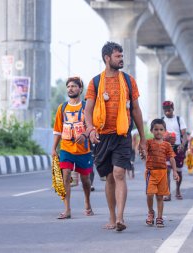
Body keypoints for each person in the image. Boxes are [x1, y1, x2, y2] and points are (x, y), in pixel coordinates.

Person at [84, 41, 146, 232]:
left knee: (119, 173)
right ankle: (111, 217)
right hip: (102, 136)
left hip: (122, 135)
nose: (121, 59)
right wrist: (91, 129)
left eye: (122, 56)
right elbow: (88, 110)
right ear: (107, 58)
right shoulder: (95, 82)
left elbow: (136, 110)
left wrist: (143, 138)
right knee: (109, 177)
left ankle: (120, 218)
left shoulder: (128, 81)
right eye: (118, 56)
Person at [52, 76, 94, 219]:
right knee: (66, 176)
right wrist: (54, 148)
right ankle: (67, 209)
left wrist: (86, 135)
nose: (70, 89)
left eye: (74, 86)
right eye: (68, 86)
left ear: (80, 89)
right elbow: (57, 130)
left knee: (85, 180)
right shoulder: (62, 108)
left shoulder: (86, 107)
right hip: (66, 148)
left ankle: (87, 202)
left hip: (84, 150)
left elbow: (92, 126)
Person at [145, 119, 179, 228]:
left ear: (165, 131)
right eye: (156, 129)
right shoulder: (149, 142)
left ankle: (159, 217)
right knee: (150, 194)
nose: (158, 132)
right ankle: (151, 212)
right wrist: (142, 152)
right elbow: (144, 151)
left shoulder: (167, 145)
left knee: (160, 197)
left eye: (161, 129)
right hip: (151, 172)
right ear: (151, 130)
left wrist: (174, 171)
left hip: (163, 173)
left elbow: (172, 158)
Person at [161, 101, 187, 201]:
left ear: (173, 109)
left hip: (178, 148)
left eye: (169, 110)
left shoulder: (179, 119)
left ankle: (178, 190)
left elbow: (184, 134)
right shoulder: (162, 120)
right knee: (167, 170)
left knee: (178, 171)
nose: (167, 112)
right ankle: (167, 193)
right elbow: (158, 133)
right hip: (166, 148)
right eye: (165, 110)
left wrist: (183, 144)